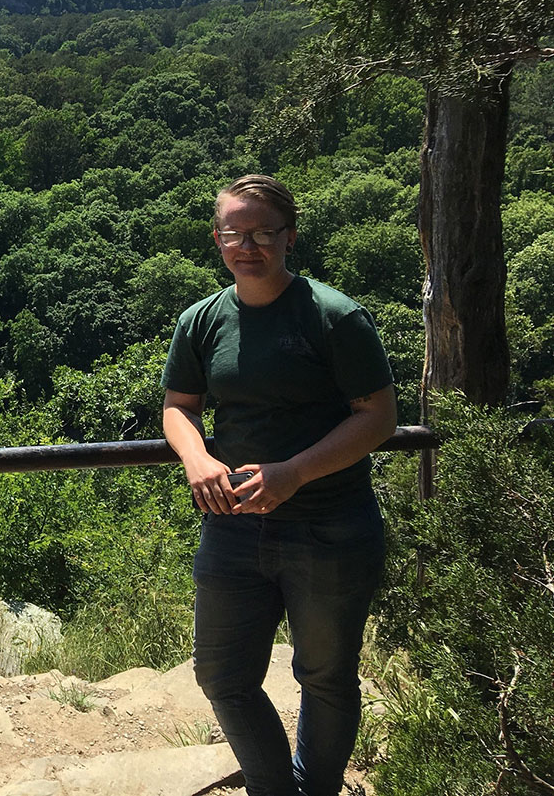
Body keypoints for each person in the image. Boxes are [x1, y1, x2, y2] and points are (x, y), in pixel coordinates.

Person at [161, 174, 397, 796]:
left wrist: (294, 473)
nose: (250, 244)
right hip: (233, 525)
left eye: (264, 232)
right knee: (221, 675)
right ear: (217, 239)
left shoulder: (334, 316)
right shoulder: (202, 320)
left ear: (289, 237)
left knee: (325, 675)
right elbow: (178, 406)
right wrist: (197, 459)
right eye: (236, 232)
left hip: (330, 525)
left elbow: (378, 415)